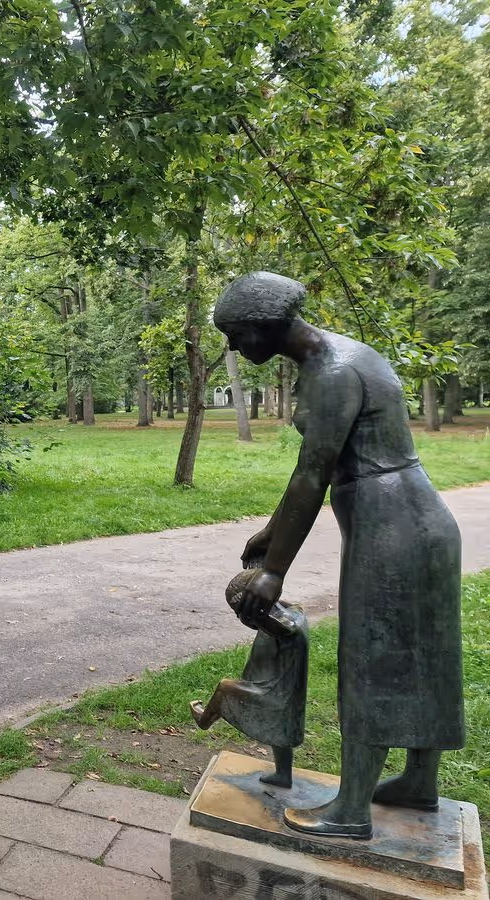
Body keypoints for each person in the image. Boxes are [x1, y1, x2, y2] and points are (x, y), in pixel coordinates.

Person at [213, 272, 464, 840]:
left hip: (391, 526)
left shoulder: (332, 370)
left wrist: (274, 570)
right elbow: (320, 464)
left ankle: (351, 809)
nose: (232, 346)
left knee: (370, 661)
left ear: (266, 327)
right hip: (415, 520)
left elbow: (314, 471)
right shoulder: (340, 357)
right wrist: (272, 532)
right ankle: (419, 783)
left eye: (236, 334)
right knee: (423, 654)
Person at [191, 566, 308, 788]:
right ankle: (284, 775)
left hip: (273, 694)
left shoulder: (284, 627)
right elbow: (276, 607)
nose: (240, 617)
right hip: (286, 695)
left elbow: (275, 623)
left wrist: (252, 606)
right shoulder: (293, 611)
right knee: (279, 733)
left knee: (225, 687)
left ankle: (204, 720)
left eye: (240, 611)